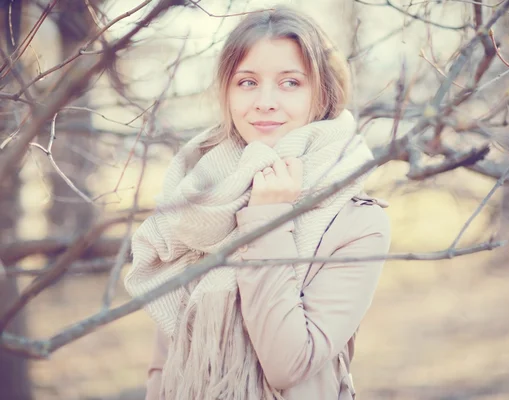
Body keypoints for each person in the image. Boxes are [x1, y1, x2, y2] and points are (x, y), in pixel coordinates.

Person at [124, 5, 391, 400]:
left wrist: (267, 219)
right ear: (227, 92)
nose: (265, 101)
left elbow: (288, 364)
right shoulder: (201, 198)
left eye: (290, 83)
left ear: (323, 92)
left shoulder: (356, 221)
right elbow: (169, 355)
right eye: (247, 82)